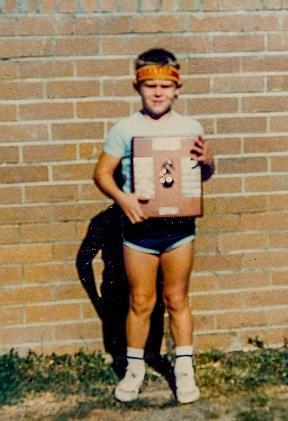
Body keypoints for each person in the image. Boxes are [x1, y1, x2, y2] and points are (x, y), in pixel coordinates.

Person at [94, 48, 214, 404]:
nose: (158, 93)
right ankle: (135, 370)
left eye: (165, 85)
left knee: (176, 298)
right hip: (139, 233)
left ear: (178, 89)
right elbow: (101, 174)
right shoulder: (125, 128)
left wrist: (209, 160)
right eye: (150, 86)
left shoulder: (191, 127)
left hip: (179, 232)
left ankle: (184, 368)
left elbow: (202, 174)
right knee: (141, 301)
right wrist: (123, 198)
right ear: (137, 87)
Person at [76, 203, 175, 388]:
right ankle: (131, 368)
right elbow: (83, 259)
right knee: (121, 348)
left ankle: (145, 363)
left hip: (147, 291)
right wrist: (95, 299)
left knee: (149, 345)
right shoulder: (105, 220)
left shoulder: (152, 217)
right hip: (119, 290)